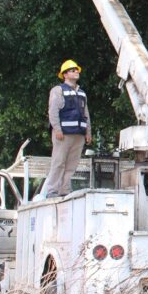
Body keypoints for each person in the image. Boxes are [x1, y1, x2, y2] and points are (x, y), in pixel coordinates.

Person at [40, 59, 91, 199]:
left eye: (77, 70)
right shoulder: (58, 90)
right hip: (63, 134)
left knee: (71, 165)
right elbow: (53, 111)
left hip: (79, 134)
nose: (76, 72)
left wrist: (88, 132)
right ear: (65, 74)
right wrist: (57, 129)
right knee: (58, 162)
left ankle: (65, 190)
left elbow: (86, 114)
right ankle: (52, 190)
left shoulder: (82, 93)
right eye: (72, 70)